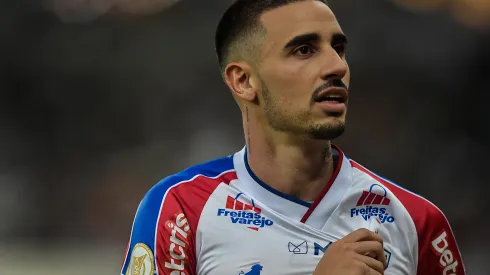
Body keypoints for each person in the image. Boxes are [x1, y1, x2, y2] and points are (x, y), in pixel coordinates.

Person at [120, 1, 466, 274]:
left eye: (339, 48)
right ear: (243, 81)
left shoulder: (418, 222)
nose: (337, 66)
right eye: (304, 50)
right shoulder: (181, 210)